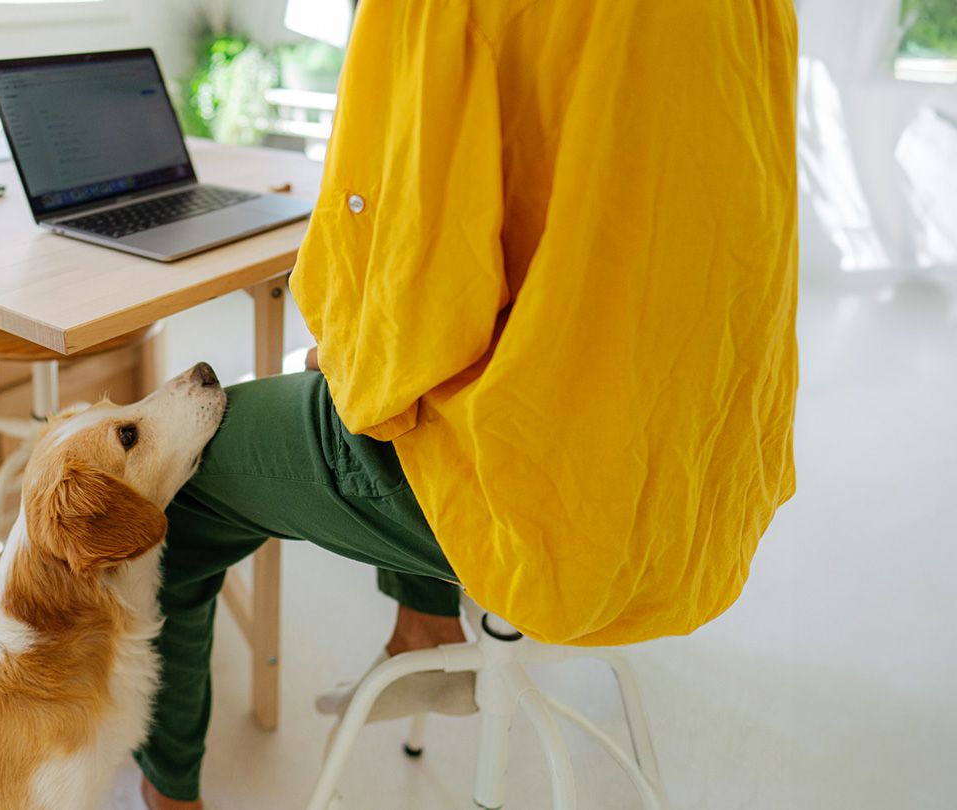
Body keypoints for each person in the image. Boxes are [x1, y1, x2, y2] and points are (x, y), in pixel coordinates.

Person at [137, 0, 799, 806]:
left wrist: (347, 348)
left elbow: (411, 286)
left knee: (169, 488)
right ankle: (423, 626)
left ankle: (167, 796)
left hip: (537, 489)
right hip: (695, 472)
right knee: (379, 380)